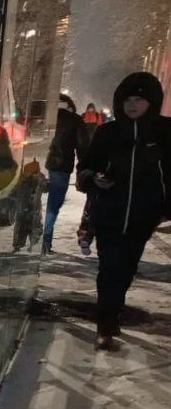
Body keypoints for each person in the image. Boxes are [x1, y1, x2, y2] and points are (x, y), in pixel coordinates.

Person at [76, 71, 171, 351]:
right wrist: (94, 178)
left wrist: (165, 209)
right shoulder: (108, 133)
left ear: (151, 102)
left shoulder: (164, 133)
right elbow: (85, 167)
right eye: (127, 99)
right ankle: (105, 324)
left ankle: (113, 312)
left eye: (139, 100)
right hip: (109, 213)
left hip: (144, 216)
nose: (132, 105)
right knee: (109, 268)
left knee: (127, 268)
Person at [42, 93, 88, 253]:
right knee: (54, 204)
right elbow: (83, 147)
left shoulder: (48, 117)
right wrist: (84, 169)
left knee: (49, 203)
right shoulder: (74, 120)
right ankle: (45, 240)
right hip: (62, 166)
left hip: (48, 163)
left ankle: (42, 238)